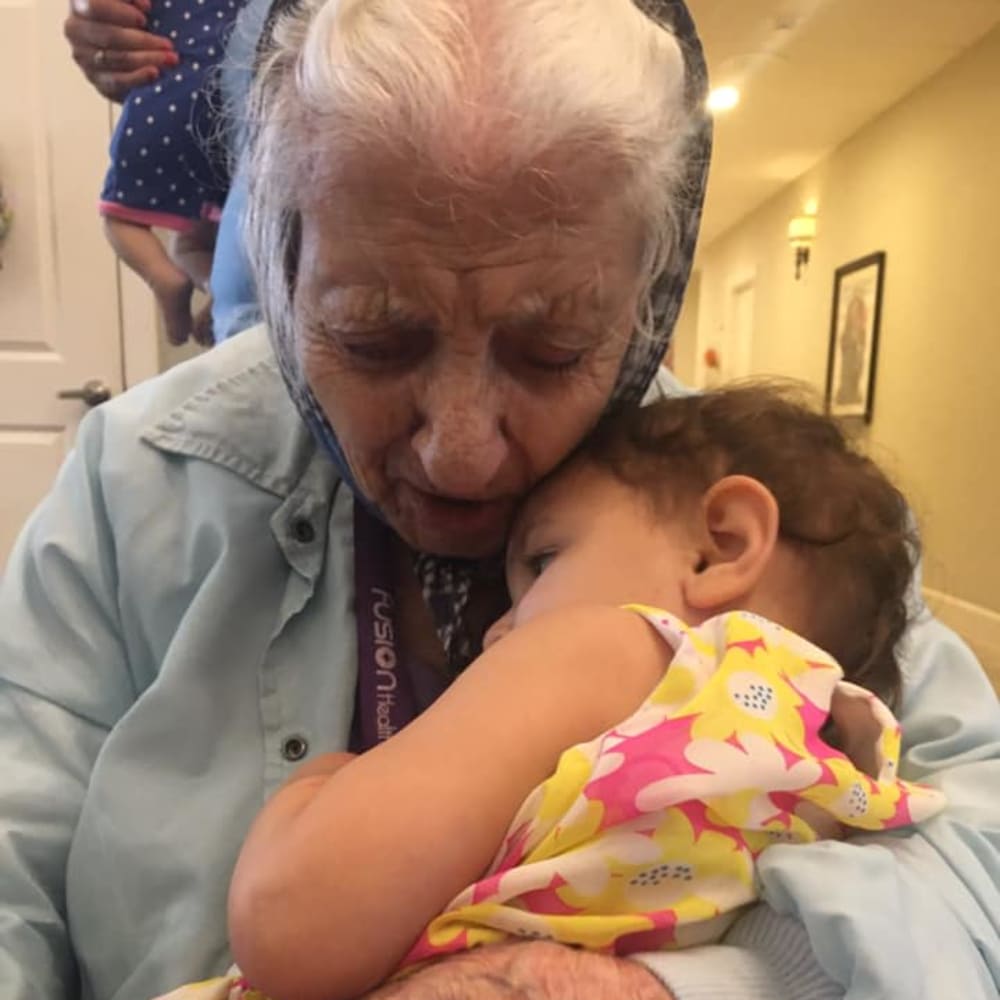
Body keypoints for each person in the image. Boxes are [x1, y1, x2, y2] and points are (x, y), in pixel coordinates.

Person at [7, 1, 994, 999]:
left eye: (551, 349)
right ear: (280, 268)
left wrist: (677, 989)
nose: (462, 452)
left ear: (646, 299)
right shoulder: (136, 480)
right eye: (374, 338)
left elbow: (978, 862)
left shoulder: (799, 519)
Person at [156, 385, 946, 1000]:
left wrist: (316, 783)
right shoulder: (844, 776)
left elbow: (295, 925)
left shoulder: (611, 647)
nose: (500, 632)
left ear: (721, 546)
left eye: (542, 560)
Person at [97, 0, 247, 346]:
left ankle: (163, 278)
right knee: (211, 232)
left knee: (120, 219)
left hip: (167, 100)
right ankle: (225, 294)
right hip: (233, 110)